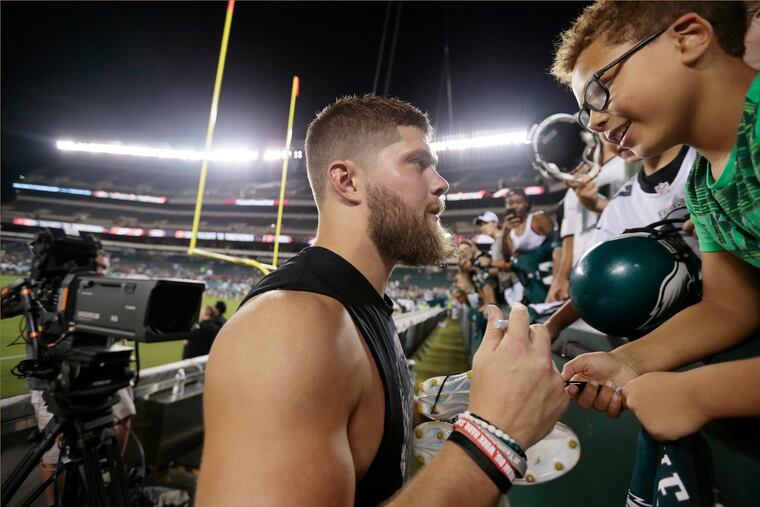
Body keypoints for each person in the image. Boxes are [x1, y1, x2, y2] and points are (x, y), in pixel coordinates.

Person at [197, 95, 571, 506]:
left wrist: (442, 399)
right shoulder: (289, 326)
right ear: (348, 181)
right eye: (418, 163)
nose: (440, 183)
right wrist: (494, 435)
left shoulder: (354, 303)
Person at [550, 0, 760, 441]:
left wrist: (700, 394)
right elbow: (730, 308)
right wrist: (629, 361)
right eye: (586, 113)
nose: (597, 122)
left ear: (689, 38)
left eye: (600, 89)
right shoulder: (702, 183)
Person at [544, 144, 697, 341]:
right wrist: (552, 325)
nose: (599, 123)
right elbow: (595, 282)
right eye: (589, 115)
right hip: (677, 326)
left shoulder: (707, 159)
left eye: (609, 111)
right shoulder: (621, 205)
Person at [28, 248, 136, 503]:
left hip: (98, 374)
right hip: (53, 380)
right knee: (54, 457)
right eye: (96, 267)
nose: (101, 273)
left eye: (104, 268)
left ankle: (106, 476)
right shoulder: (52, 295)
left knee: (126, 412)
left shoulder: (107, 296)